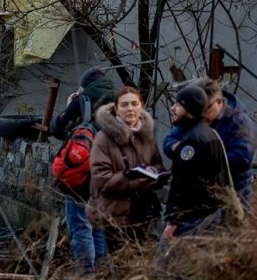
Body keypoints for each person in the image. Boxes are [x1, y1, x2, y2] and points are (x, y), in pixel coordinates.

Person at [49, 67, 116, 269]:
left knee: (80, 225)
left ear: (85, 86)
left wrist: (70, 106)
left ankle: (85, 271)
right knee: (98, 224)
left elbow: (57, 130)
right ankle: (100, 271)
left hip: (83, 173)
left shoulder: (83, 102)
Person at [85, 86, 166, 253]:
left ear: (141, 106)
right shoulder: (104, 138)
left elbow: (159, 165)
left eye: (134, 104)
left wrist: (153, 171)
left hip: (143, 212)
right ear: (116, 108)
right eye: (124, 105)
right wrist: (134, 181)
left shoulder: (146, 135)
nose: (130, 109)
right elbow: (102, 180)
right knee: (118, 265)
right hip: (114, 215)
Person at [163, 77, 256, 212]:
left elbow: (242, 158)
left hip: (234, 193)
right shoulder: (195, 117)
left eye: (205, 108)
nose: (200, 112)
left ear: (219, 102)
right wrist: (178, 148)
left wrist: (201, 160)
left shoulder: (240, 122)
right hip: (201, 196)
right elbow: (170, 139)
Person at [160, 86, 229, 246]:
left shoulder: (192, 141)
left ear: (190, 109)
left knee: (165, 263)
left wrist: (172, 221)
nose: (173, 108)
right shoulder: (209, 134)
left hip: (192, 218)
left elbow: (182, 185)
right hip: (209, 213)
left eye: (178, 104)